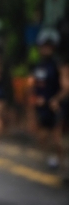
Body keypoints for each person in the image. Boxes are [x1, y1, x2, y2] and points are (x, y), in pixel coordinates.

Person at [29, 29, 66, 170]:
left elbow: (65, 87)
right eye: (44, 45)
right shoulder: (39, 64)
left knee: (56, 137)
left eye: (49, 45)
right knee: (42, 136)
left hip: (54, 107)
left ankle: (59, 161)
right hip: (41, 107)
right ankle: (49, 159)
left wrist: (56, 100)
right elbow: (33, 85)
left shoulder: (57, 65)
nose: (46, 48)